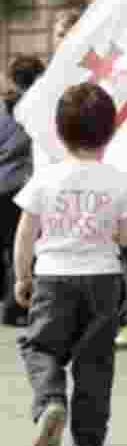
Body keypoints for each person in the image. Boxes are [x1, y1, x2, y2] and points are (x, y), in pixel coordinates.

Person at [13, 82, 127, 446]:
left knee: (41, 346)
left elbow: (26, 232)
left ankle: (51, 400)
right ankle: (90, 440)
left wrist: (23, 276)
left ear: (59, 131)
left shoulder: (47, 177)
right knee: (95, 359)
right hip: (103, 277)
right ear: (110, 131)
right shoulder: (118, 179)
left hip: (53, 275)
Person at [0, 55, 44, 327]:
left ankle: (12, 307)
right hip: (21, 186)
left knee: (10, 251)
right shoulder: (32, 108)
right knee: (24, 249)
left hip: (5, 185)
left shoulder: (7, 108)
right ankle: (19, 306)